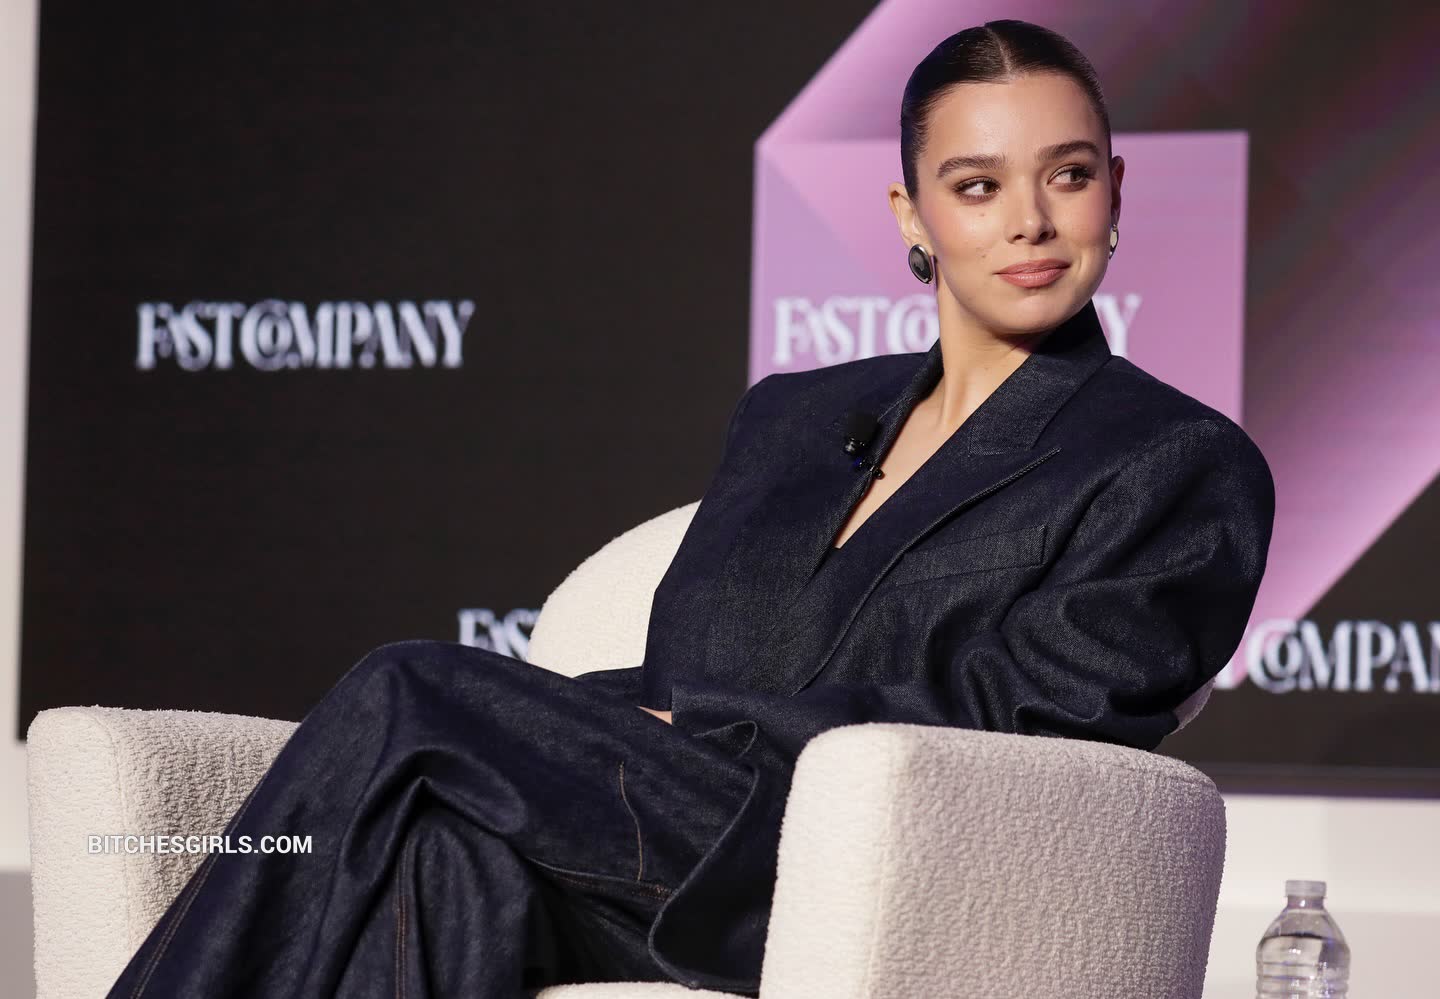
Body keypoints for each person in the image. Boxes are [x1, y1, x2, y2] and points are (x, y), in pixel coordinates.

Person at [103, 18, 1273, 999]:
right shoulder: (793, 417)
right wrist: (591, 720)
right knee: (454, 866)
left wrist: (691, 723)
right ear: (912, 214)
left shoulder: (1174, 460)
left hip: (858, 873)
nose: (1029, 221)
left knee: (413, 690)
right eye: (977, 186)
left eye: (1067, 175)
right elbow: (686, 666)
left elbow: (1034, 722)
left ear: (1114, 192)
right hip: (664, 836)